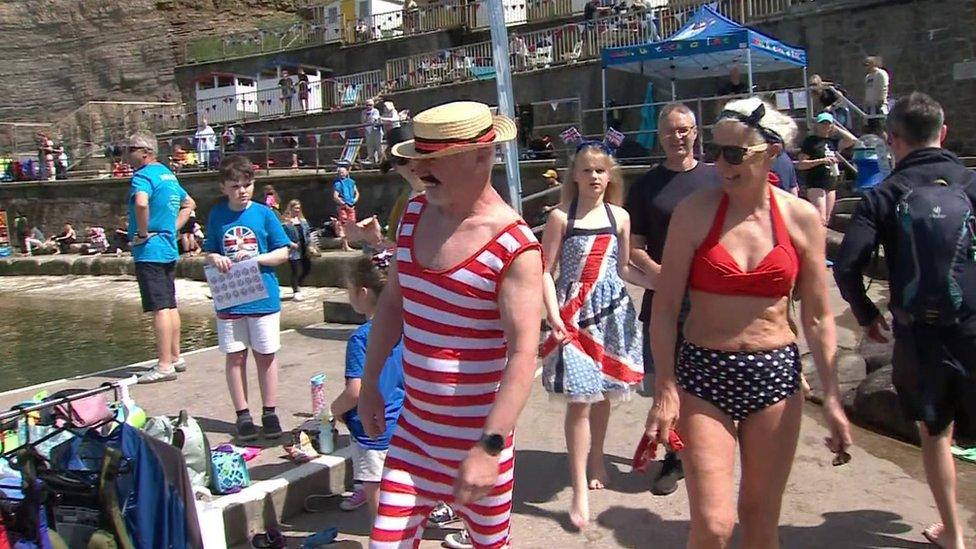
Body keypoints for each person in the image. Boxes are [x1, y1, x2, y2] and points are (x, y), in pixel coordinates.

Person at [645, 98, 852, 548]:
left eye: (735, 154)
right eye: (717, 151)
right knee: (713, 525)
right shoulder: (695, 212)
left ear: (772, 151)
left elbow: (816, 315)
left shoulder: (800, 219)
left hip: (775, 377)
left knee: (760, 521)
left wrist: (833, 397)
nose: (721, 163)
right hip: (703, 377)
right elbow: (664, 308)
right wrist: (665, 387)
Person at [357, 101, 543, 549]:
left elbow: (523, 354)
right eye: (419, 158)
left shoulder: (515, 246)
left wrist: (490, 448)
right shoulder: (415, 214)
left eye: (435, 160)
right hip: (413, 437)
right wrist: (368, 385)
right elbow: (392, 303)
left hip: (477, 444)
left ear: (483, 157)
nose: (421, 170)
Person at [834, 92, 976, 549]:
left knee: (935, 434)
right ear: (944, 132)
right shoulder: (971, 185)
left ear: (892, 140)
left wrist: (866, 314)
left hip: (919, 338)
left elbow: (847, 263)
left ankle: (953, 534)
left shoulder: (883, 194)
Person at [539, 141, 649, 529]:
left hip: (611, 311)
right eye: (586, 170)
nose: (594, 177)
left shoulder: (619, 216)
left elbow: (622, 268)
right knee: (580, 400)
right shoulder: (559, 218)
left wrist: (659, 282)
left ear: (610, 175)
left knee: (603, 393)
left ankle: (597, 456)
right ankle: (578, 490)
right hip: (573, 315)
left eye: (601, 170)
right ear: (574, 175)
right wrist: (554, 316)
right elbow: (544, 271)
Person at [624, 103, 718, 496]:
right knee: (669, 381)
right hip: (666, 297)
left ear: (696, 132)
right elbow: (634, 245)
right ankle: (675, 457)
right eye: (669, 131)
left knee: (711, 379)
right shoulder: (646, 186)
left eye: (683, 130)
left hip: (713, 296)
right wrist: (660, 273)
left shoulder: (716, 179)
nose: (676, 137)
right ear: (659, 136)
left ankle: (709, 451)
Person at [204, 155, 293, 441]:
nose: (242, 191)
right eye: (235, 186)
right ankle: (242, 413)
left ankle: (270, 411)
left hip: (263, 296)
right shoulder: (217, 214)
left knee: (266, 355)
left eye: (247, 185)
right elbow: (209, 250)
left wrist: (257, 258)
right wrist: (216, 257)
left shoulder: (265, 214)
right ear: (223, 188)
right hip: (230, 297)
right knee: (235, 356)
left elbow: (283, 252)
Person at [330, 252, 405, 519]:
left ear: (363, 293)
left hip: (372, 429)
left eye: (349, 290)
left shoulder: (360, 338)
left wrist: (335, 409)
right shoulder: (406, 327)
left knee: (376, 489)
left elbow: (356, 391)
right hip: (405, 423)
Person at [126, 131, 196, 383]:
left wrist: (143, 233)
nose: (127, 153)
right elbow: (189, 204)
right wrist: (172, 227)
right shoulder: (168, 175)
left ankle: (164, 364)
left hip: (150, 250)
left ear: (145, 152)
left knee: (159, 307)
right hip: (167, 246)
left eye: (130, 148)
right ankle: (176, 357)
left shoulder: (142, 176)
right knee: (169, 303)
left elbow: (142, 203)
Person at [796, 112, 857, 226]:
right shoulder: (810, 141)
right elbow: (801, 164)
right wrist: (822, 161)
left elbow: (852, 140)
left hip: (830, 182)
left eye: (828, 124)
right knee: (820, 217)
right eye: (822, 124)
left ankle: (823, 242)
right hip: (816, 182)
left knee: (827, 219)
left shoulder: (832, 142)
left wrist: (837, 129)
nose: (825, 126)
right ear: (817, 125)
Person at [282, 199, 313, 301]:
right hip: (293, 250)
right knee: (296, 270)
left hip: (304, 248)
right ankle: (296, 291)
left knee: (307, 269)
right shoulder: (286, 223)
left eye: (299, 208)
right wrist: (290, 244)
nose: (297, 210)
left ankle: (298, 285)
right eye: (295, 208)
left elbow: (308, 234)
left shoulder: (303, 221)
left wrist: (310, 245)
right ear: (290, 208)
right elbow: (282, 236)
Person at [333, 166, 359, 252]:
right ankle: (345, 245)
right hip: (343, 206)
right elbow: (335, 196)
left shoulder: (351, 182)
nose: (342, 174)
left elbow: (356, 192)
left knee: (352, 223)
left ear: (347, 172)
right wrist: (343, 203)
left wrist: (355, 200)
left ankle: (349, 243)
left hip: (351, 205)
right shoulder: (338, 184)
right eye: (340, 173)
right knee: (343, 224)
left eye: (343, 172)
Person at [362, 99, 383, 165]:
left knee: (378, 145)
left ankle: (381, 160)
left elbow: (374, 119)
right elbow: (363, 121)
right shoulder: (363, 112)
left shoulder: (375, 111)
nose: (368, 106)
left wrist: (370, 117)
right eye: (367, 105)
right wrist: (365, 116)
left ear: (373, 105)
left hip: (376, 130)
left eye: (370, 105)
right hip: (368, 130)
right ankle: (371, 160)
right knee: (370, 146)